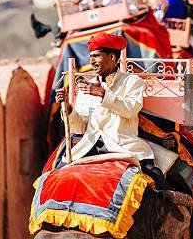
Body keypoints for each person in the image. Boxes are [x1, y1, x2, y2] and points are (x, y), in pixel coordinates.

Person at [55, 32, 166, 189]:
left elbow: (130, 111)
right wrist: (67, 108)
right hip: (90, 146)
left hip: (123, 146)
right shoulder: (87, 86)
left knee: (155, 178)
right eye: (91, 57)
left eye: (97, 56)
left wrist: (102, 94)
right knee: (56, 174)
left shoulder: (132, 82)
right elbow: (79, 127)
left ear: (112, 57)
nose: (92, 62)